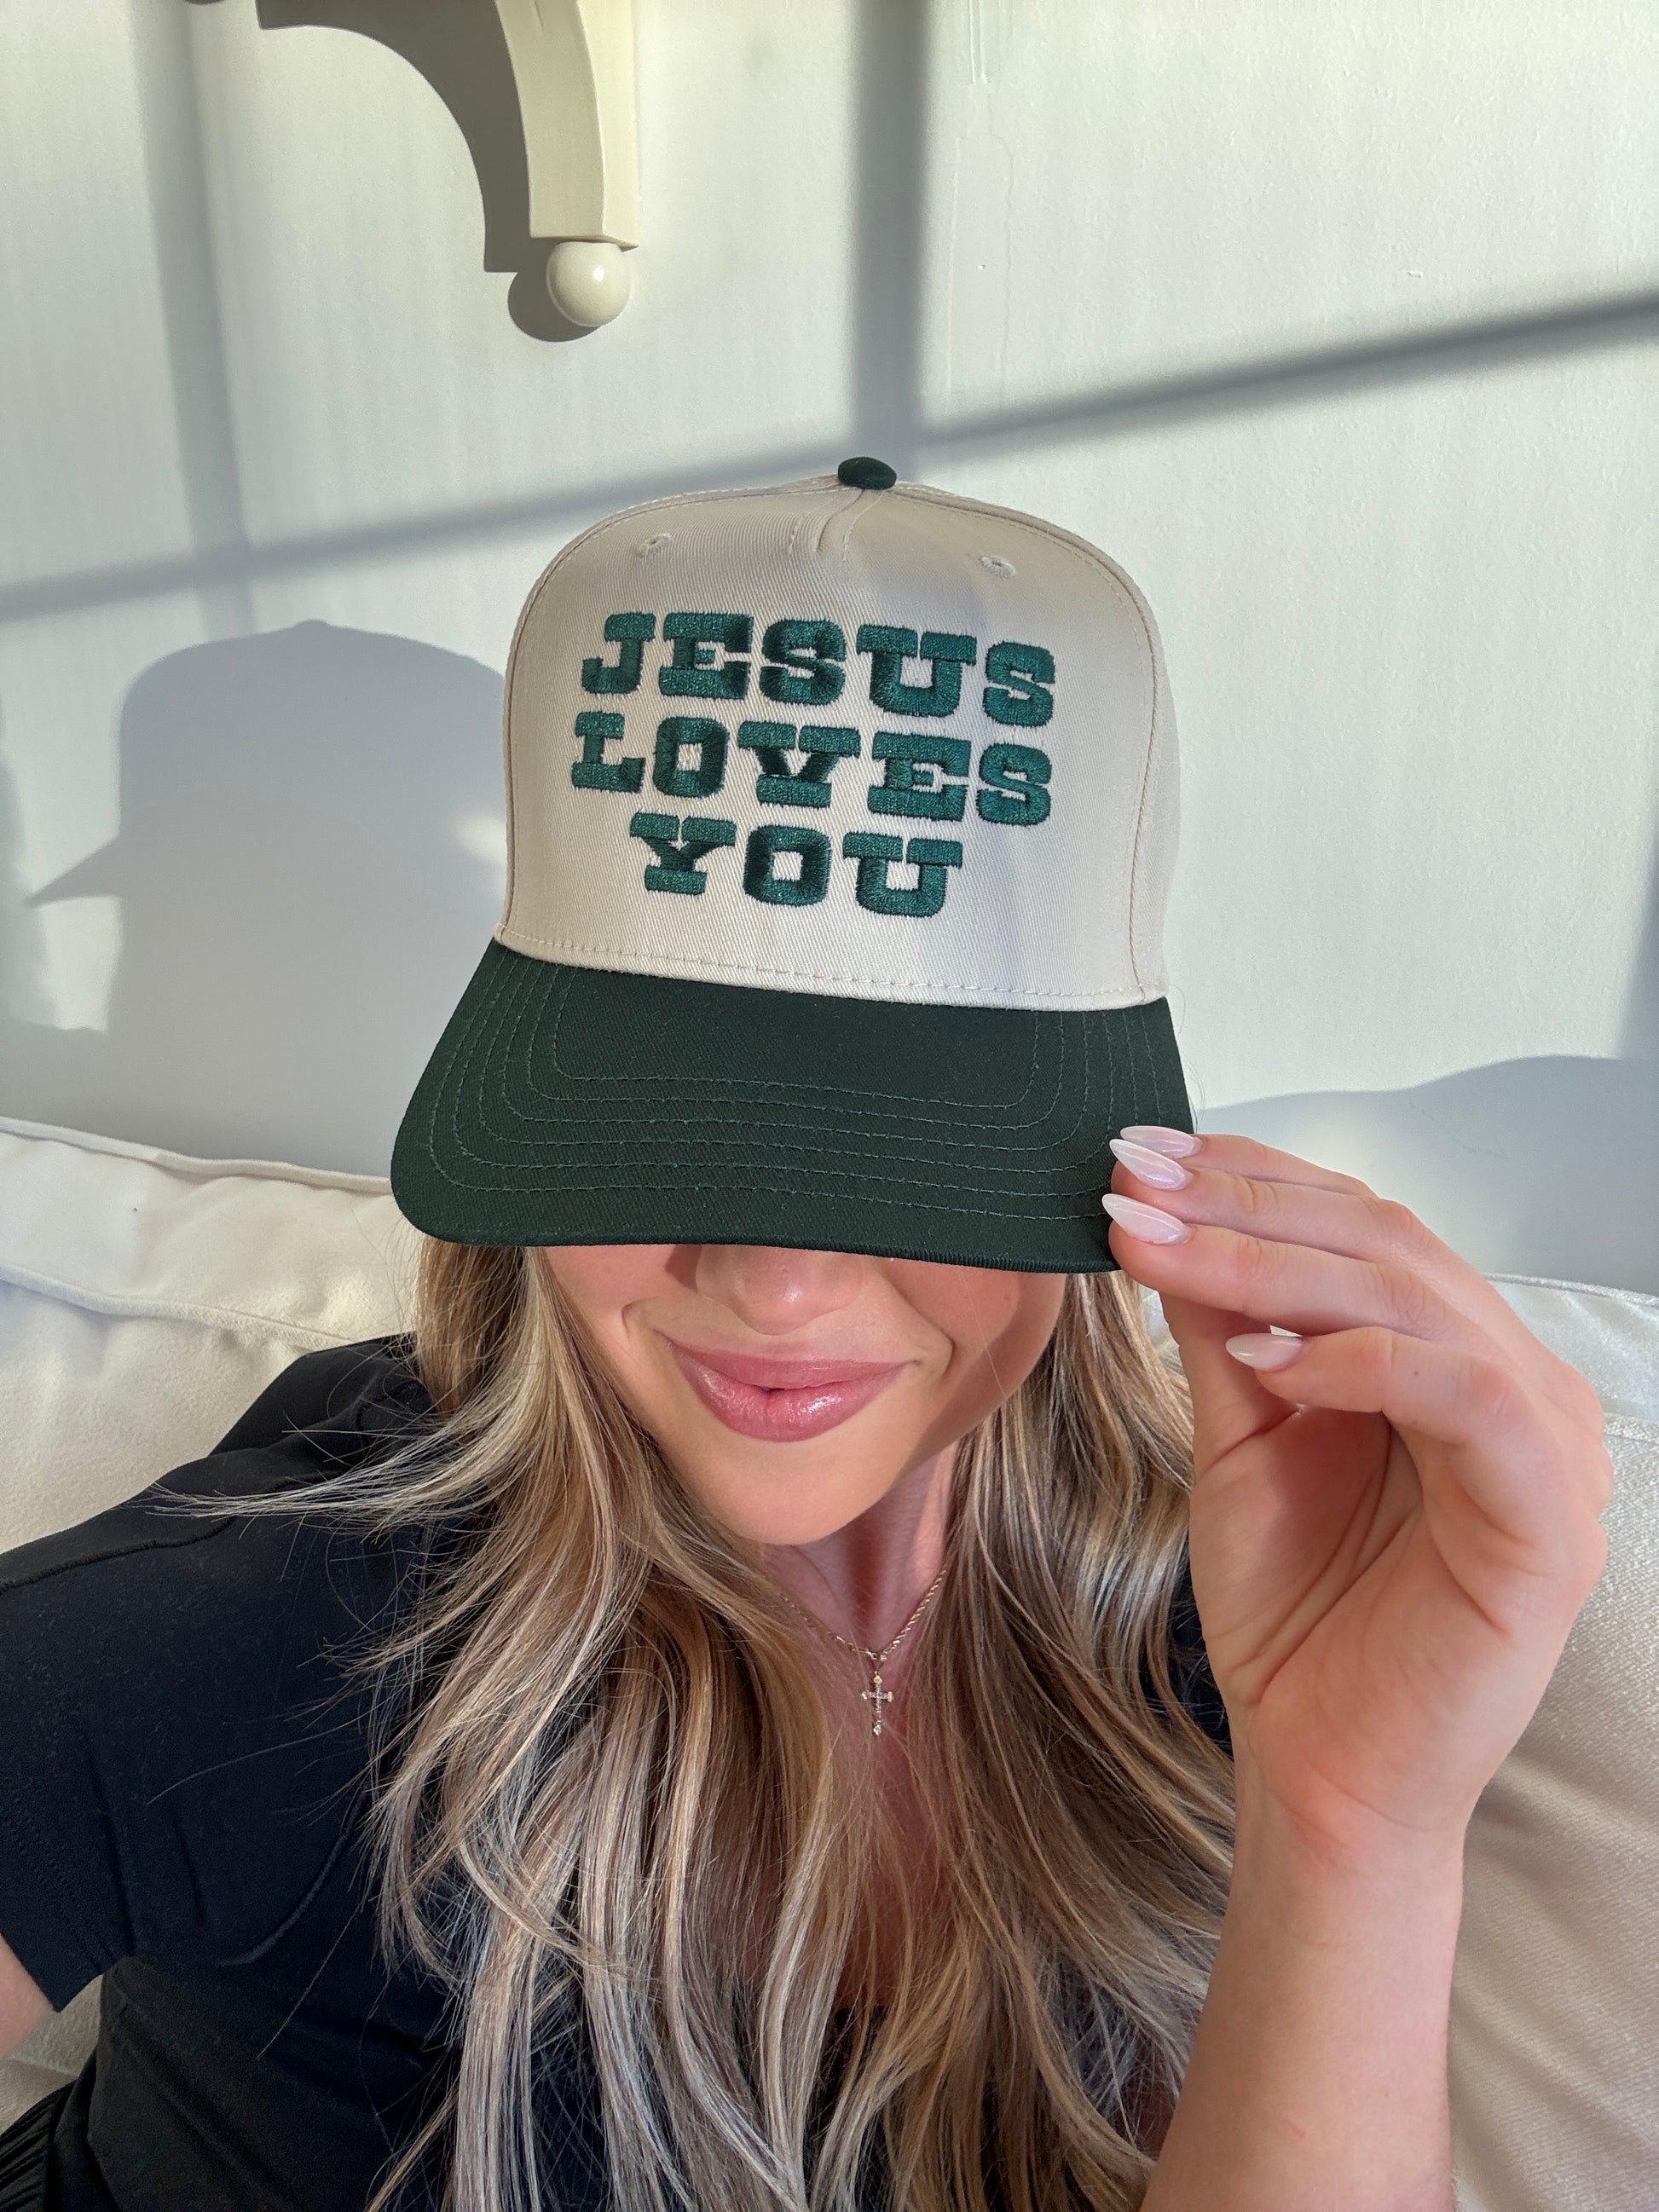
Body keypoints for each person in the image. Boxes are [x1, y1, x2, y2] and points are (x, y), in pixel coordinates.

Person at [0, 462, 1610, 2212]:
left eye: (907, 1149)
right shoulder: (266, 1629)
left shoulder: (1250, 1604)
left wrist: (1355, 1826)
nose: (773, 1285)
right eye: (654, 1123)